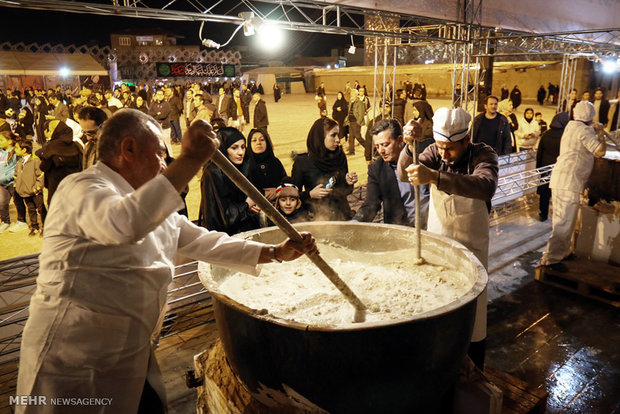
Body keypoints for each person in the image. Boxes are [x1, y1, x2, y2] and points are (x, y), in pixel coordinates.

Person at [16, 109, 317, 414]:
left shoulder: (148, 204)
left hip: (131, 352)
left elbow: (202, 241)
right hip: (73, 359)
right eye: (160, 154)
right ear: (129, 148)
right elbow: (125, 225)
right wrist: (191, 158)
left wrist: (275, 253)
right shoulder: (82, 189)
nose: (164, 164)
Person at [397, 107, 499, 370]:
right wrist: (410, 146)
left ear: (466, 140)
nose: (443, 154)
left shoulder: (483, 154)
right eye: (439, 146)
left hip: (472, 244)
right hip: (440, 241)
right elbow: (402, 173)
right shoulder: (433, 151)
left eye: (450, 148)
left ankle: (474, 366)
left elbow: (485, 186)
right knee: (439, 298)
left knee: (472, 312)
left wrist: (435, 177)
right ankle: (439, 360)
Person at [540, 101, 606, 272]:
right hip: (568, 182)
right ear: (590, 116)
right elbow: (600, 151)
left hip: (566, 181)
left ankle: (563, 252)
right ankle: (551, 259)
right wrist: (600, 134)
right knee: (563, 223)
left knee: (567, 221)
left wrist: (593, 128)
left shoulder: (571, 125)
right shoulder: (583, 130)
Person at [352, 119, 428, 226]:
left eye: (385, 145)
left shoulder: (425, 155)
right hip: (401, 228)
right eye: (377, 146)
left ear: (400, 140)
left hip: (430, 226)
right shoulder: (377, 169)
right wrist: (355, 223)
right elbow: (371, 204)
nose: (381, 151)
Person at [292, 117, 358, 221]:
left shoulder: (340, 156)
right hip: (316, 218)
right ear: (319, 137)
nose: (337, 139)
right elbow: (293, 196)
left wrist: (348, 182)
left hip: (341, 215)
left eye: (338, 135)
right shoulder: (302, 162)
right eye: (333, 135)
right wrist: (310, 194)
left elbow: (344, 191)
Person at [199, 127, 262, 235]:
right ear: (223, 148)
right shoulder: (213, 172)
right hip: (223, 236)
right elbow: (220, 217)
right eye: (234, 148)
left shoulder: (244, 166)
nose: (241, 152)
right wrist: (246, 205)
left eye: (243, 147)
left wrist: (253, 206)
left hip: (246, 229)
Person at [36, 120, 83, 206]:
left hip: (56, 186)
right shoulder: (76, 145)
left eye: (50, 130)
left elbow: (44, 167)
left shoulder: (52, 146)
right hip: (74, 184)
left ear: (56, 131)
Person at [535, 112, 569, 222]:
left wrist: (539, 169)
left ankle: (543, 214)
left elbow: (539, 153)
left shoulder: (546, 134)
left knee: (544, 193)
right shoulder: (566, 136)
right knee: (558, 193)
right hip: (560, 168)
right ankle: (558, 216)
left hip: (545, 167)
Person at [13, 139, 46, 236]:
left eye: (17, 148)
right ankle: (34, 226)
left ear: (24, 150)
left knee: (41, 210)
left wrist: (36, 188)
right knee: (30, 210)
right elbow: (16, 175)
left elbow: (40, 175)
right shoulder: (19, 162)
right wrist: (17, 186)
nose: (15, 150)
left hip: (35, 192)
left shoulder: (35, 161)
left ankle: (45, 227)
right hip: (24, 192)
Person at [247, 128, 286, 201]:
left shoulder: (275, 162)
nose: (258, 143)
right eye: (254, 140)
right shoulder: (245, 165)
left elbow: (285, 182)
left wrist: (277, 191)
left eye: (262, 140)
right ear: (249, 144)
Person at [0, 131, 27, 233]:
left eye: (1, 140)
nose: (0, 142)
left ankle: (21, 221)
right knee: (2, 203)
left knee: (18, 201)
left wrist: (10, 176)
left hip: (13, 182)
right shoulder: (1, 152)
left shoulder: (16, 153)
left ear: (10, 141)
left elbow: (20, 166)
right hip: (2, 184)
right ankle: (5, 222)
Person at [148, 89, 172, 155]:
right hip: (156, 128)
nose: (160, 96)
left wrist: (155, 115)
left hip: (165, 128)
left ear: (164, 95)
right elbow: (149, 114)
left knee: (167, 144)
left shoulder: (167, 104)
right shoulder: (153, 104)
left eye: (161, 94)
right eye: (158, 94)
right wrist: (157, 113)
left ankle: (170, 158)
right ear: (155, 95)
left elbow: (163, 116)